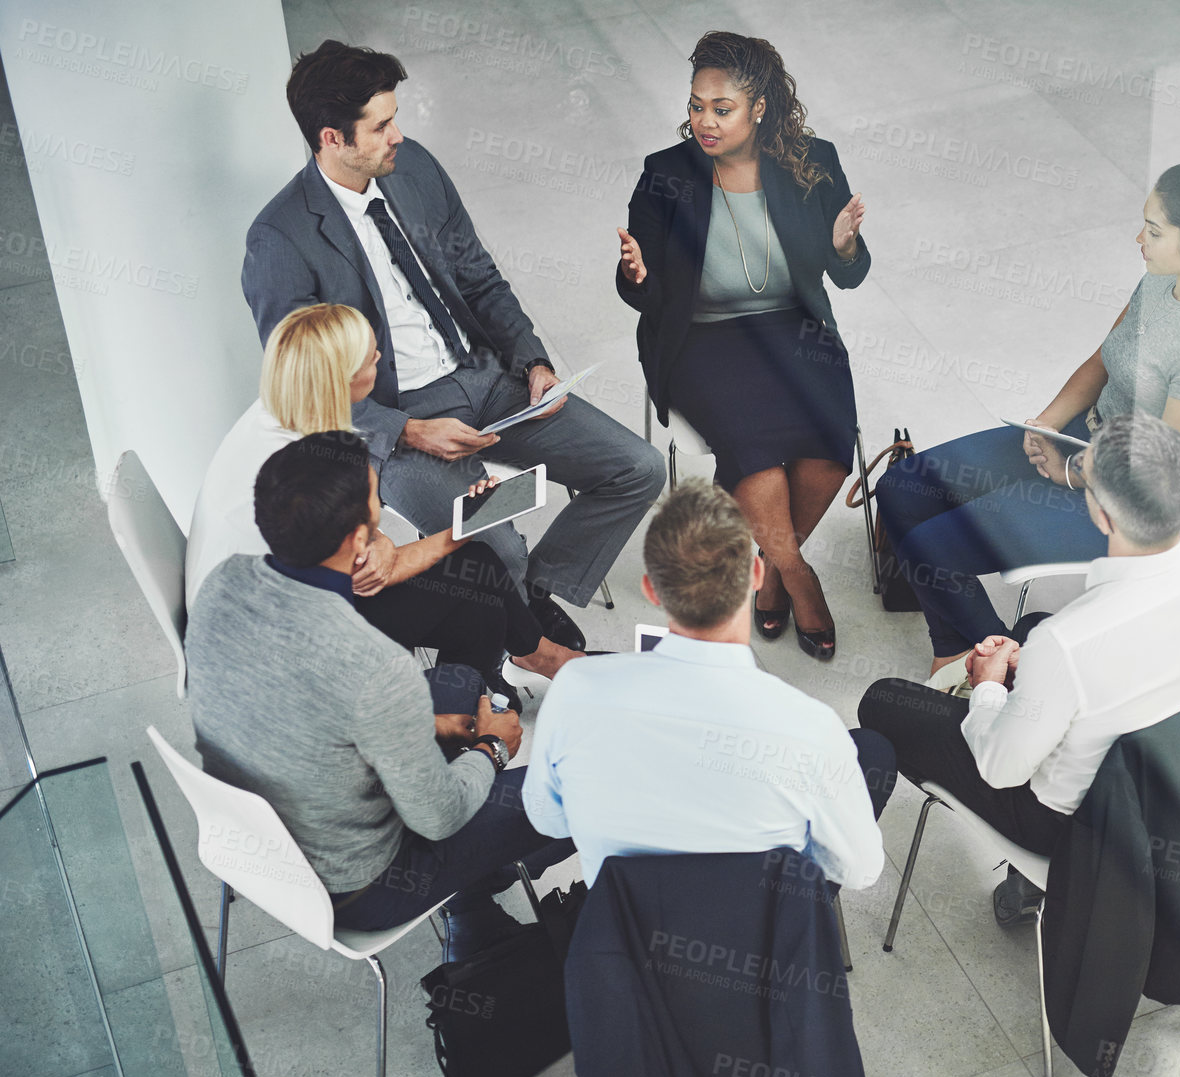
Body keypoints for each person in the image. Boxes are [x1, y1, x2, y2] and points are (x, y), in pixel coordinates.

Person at [242, 39, 665, 646]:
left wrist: (534, 362)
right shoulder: (279, 239)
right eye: (382, 125)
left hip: (487, 378)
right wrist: (407, 431)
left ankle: (530, 601)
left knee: (637, 468)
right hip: (397, 425)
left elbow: (479, 276)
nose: (398, 136)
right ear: (331, 138)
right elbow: (303, 386)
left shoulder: (411, 168)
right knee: (496, 547)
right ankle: (520, 617)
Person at [858, 414, 1180, 921]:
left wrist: (988, 688)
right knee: (1029, 624)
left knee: (882, 700)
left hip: (1067, 823)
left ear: (1103, 517)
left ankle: (1032, 882)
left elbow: (1000, 769)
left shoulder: (1067, 643)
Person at [874, 161, 1180, 673]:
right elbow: (1103, 359)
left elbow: (1154, 472)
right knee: (901, 490)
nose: (1139, 238)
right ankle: (951, 639)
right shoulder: (1160, 283)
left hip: (1121, 500)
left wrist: (1069, 472)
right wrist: (1046, 423)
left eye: (1153, 231)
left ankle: (1001, 660)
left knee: (933, 548)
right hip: (1079, 440)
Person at [187, 431, 576, 960]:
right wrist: (494, 748)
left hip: (272, 843)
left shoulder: (222, 584)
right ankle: (492, 887)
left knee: (460, 681)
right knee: (582, 776)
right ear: (357, 542)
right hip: (365, 887)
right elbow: (440, 816)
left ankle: (477, 888)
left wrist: (421, 728)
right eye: (377, 507)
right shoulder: (376, 668)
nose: (381, 515)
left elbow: (307, 707)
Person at [615, 31, 870, 662]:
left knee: (829, 451)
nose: (703, 120)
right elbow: (638, 292)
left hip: (793, 327)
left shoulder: (813, 160)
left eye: (720, 108)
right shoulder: (666, 173)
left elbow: (849, 274)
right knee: (754, 454)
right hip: (703, 338)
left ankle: (773, 567)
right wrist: (636, 274)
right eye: (697, 105)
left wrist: (841, 245)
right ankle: (799, 578)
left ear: (759, 108)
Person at [187, 303, 584, 686]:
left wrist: (397, 539)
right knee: (477, 586)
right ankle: (508, 677)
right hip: (279, 639)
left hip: (254, 603)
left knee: (477, 569)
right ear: (340, 378)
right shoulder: (312, 466)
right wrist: (436, 537)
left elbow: (363, 553)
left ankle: (509, 672)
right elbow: (374, 575)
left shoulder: (281, 412)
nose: (379, 352)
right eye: (367, 355)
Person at [523, 479, 892, 889]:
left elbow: (547, 819)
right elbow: (860, 871)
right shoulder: (812, 730)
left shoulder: (575, 687)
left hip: (623, 929)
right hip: (755, 938)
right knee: (873, 752)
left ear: (652, 589)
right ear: (756, 572)